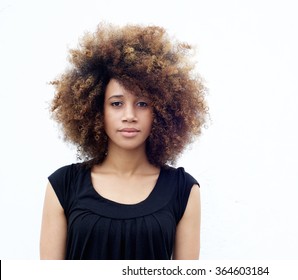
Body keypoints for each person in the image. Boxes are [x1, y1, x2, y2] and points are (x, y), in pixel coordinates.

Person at [40, 23, 208, 260]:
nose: (129, 115)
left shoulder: (183, 190)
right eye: (117, 103)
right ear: (97, 110)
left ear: (161, 111)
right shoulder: (63, 186)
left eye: (142, 104)